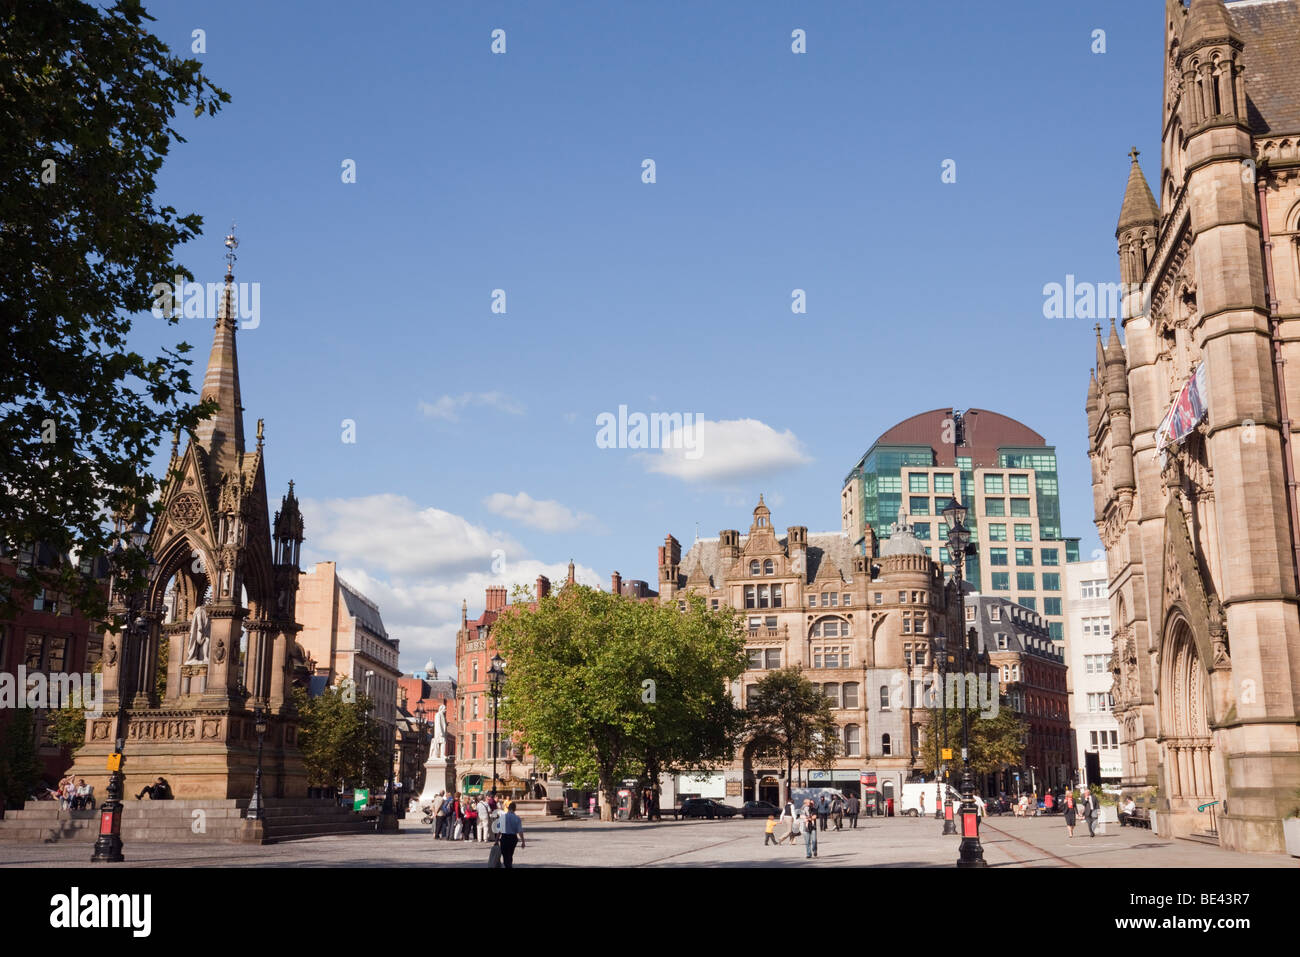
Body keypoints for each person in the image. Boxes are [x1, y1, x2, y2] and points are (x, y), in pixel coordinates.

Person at [498, 801, 525, 868]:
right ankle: (509, 864)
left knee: (505, 854)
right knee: (510, 853)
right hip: (513, 838)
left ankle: (508, 865)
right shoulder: (517, 818)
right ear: (515, 809)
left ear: (508, 808)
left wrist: (496, 840)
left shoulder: (503, 817)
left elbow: (500, 830)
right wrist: (523, 841)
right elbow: (520, 831)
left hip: (504, 838)